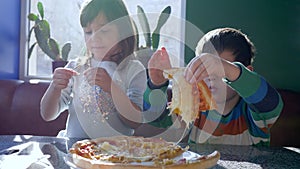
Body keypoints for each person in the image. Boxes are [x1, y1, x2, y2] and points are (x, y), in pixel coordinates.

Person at [143, 27, 283, 146]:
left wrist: (229, 70)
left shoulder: (254, 114)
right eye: (204, 68)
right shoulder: (194, 107)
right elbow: (155, 118)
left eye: (220, 70)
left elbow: (271, 103)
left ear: (246, 72)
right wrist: (156, 83)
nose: (211, 77)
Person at [40, 0, 146, 138]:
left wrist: (111, 87)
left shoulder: (134, 70)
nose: (95, 37)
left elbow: (135, 121)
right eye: (88, 32)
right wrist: (54, 88)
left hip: (117, 154)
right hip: (76, 151)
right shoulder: (76, 67)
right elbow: (47, 115)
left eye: (104, 30)